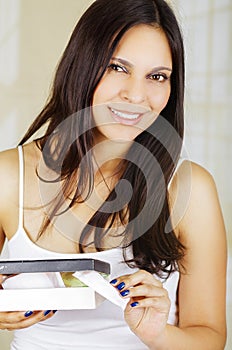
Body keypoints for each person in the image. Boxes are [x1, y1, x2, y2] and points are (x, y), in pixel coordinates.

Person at [0, 0, 227, 349]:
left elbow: (209, 337)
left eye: (157, 76)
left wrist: (158, 333)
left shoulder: (189, 188)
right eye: (117, 67)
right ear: (82, 65)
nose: (136, 95)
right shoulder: (7, 176)